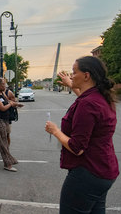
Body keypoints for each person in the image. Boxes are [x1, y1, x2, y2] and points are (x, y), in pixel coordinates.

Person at [45, 56, 119, 213]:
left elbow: (77, 147)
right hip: (104, 170)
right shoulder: (101, 98)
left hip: (87, 172)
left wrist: (55, 131)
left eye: (74, 72)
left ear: (87, 75)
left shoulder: (88, 104)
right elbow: (86, 99)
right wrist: (71, 85)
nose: (72, 76)